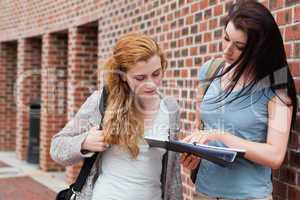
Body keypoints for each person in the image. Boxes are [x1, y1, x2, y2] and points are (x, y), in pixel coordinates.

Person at [180, 1, 298, 200]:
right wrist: (194, 154)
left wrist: (223, 137)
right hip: (203, 193)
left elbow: (275, 155)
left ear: (259, 49)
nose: (227, 50)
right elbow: (201, 129)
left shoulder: (276, 86)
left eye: (239, 47)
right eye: (226, 38)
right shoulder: (209, 72)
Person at [50, 33, 183, 200]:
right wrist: (84, 142)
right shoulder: (101, 101)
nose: (150, 83)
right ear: (122, 75)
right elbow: (57, 149)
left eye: (156, 74)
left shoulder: (170, 109)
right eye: (140, 78)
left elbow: (173, 175)